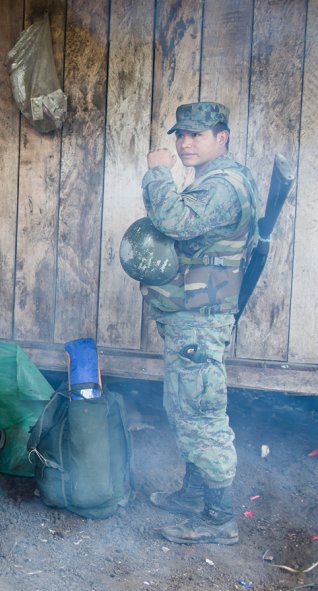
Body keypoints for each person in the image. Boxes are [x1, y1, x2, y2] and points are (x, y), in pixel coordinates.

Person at [140, 102, 260, 545]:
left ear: (222, 137)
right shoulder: (214, 178)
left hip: (200, 317)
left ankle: (217, 518)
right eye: (180, 135)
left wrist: (157, 172)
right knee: (185, 403)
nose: (184, 143)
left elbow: (172, 220)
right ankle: (193, 496)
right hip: (193, 309)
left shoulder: (223, 185)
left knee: (201, 411)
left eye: (197, 135)